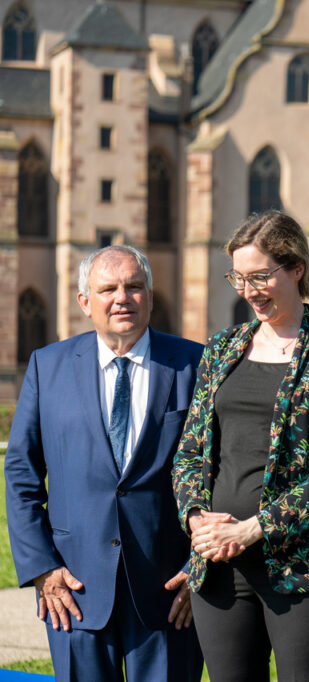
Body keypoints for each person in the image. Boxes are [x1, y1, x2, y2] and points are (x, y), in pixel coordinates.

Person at [171, 210, 309, 682]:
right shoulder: (221, 348)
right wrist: (197, 519)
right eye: (238, 278)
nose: (248, 290)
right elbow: (190, 452)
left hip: (304, 572)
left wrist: (252, 529)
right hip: (218, 568)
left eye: (260, 276)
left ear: (296, 269)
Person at [4, 245, 204, 681]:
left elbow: (219, 472)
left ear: (150, 296)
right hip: (72, 588)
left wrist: (199, 567)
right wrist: (41, 568)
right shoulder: (47, 367)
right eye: (108, 288)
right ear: (84, 302)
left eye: (135, 287)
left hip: (171, 590)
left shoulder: (195, 364)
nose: (122, 298)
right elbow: (21, 473)